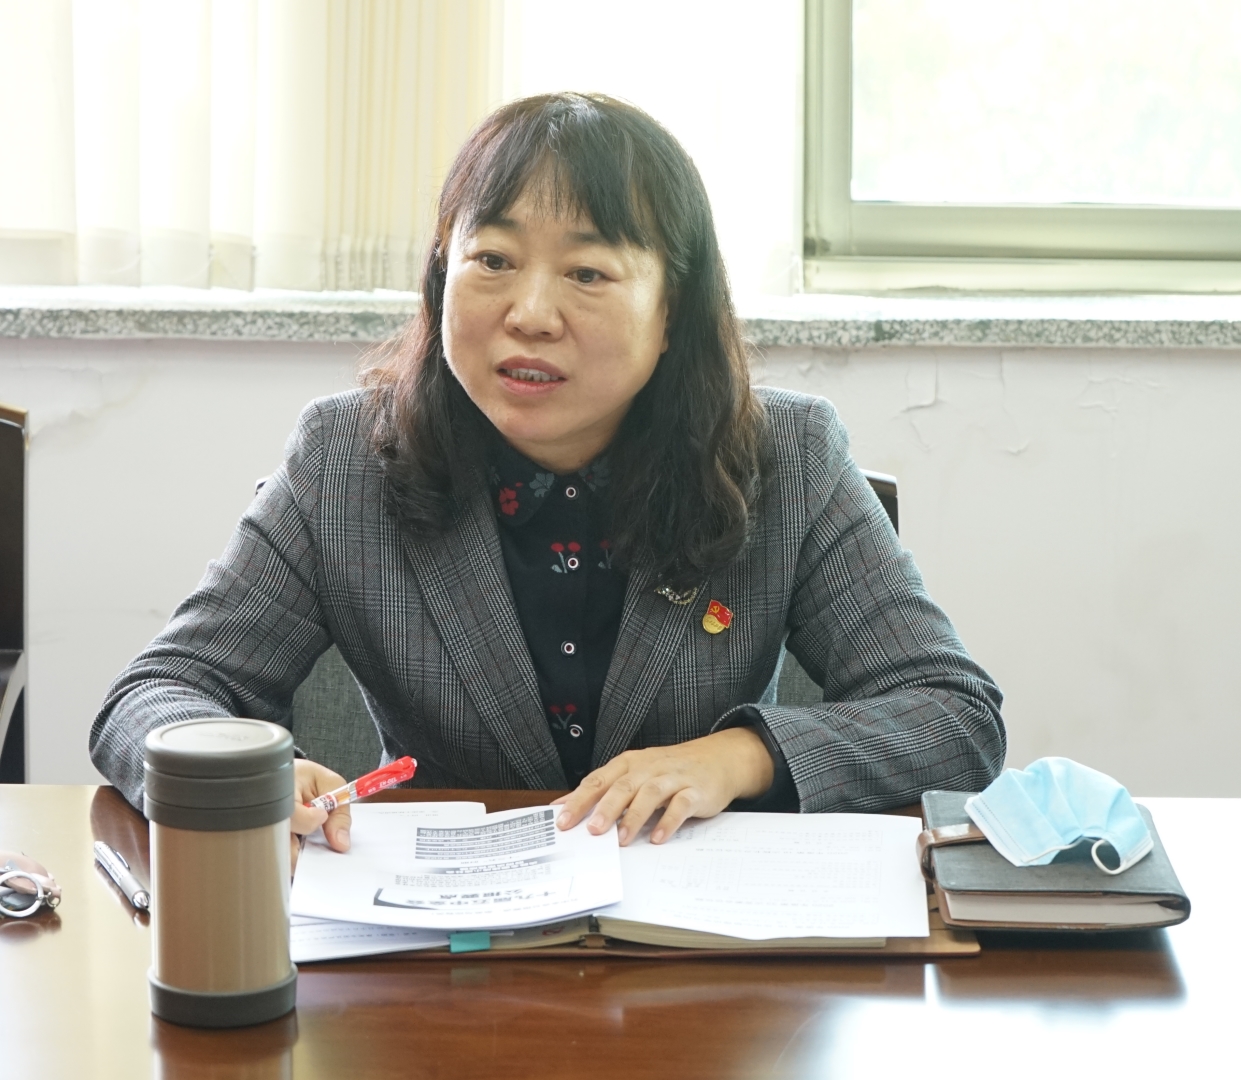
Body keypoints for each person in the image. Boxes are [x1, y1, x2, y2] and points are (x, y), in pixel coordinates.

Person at [90, 93, 1005, 864]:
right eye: (492, 261)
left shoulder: (787, 458)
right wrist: (239, 774)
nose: (530, 314)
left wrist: (737, 757)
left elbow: (952, 716)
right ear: (441, 276)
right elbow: (155, 696)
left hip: (704, 951)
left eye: (588, 273)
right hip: (442, 945)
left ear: (673, 311)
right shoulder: (345, 460)